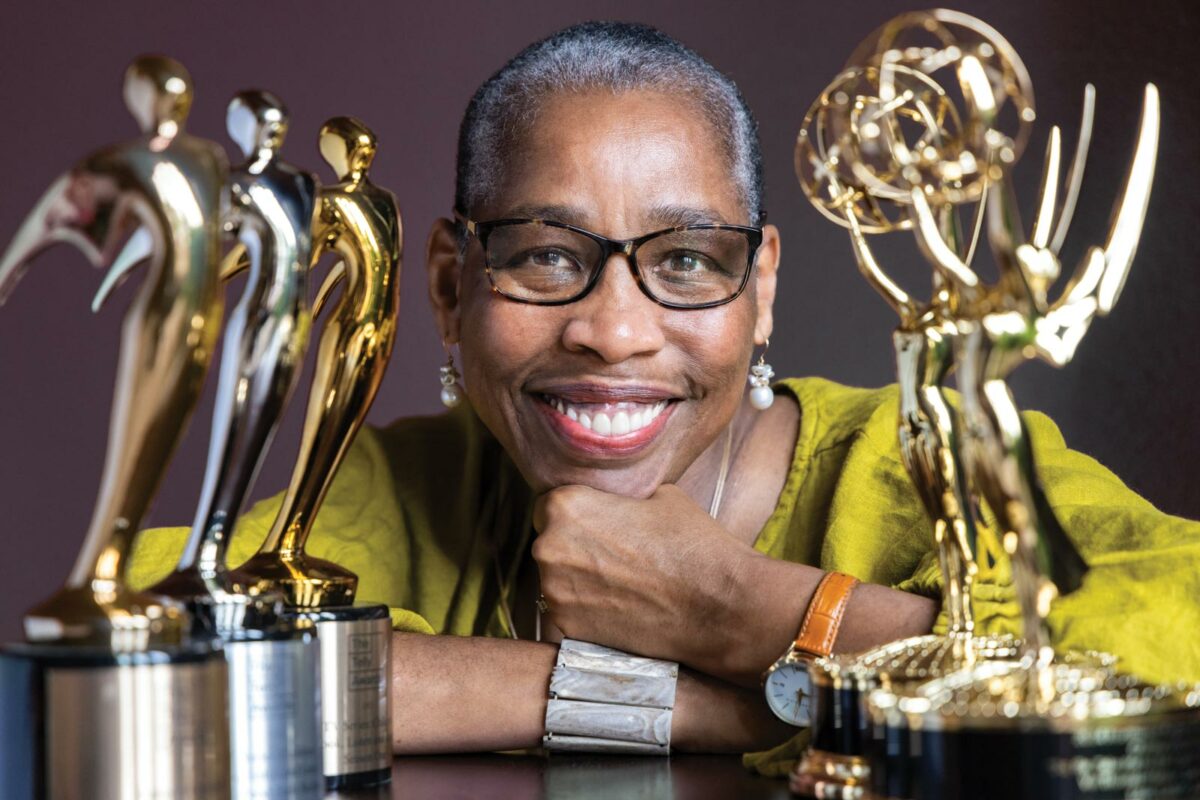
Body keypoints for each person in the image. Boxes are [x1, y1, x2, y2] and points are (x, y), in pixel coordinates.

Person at [128, 21, 1200, 772]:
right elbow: (154, 642)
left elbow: (1167, 647)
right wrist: (679, 706)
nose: (616, 327)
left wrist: (739, 611)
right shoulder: (406, 484)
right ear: (450, 286)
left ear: (762, 286)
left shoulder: (926, 462)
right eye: (549, 256)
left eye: (686, 259)